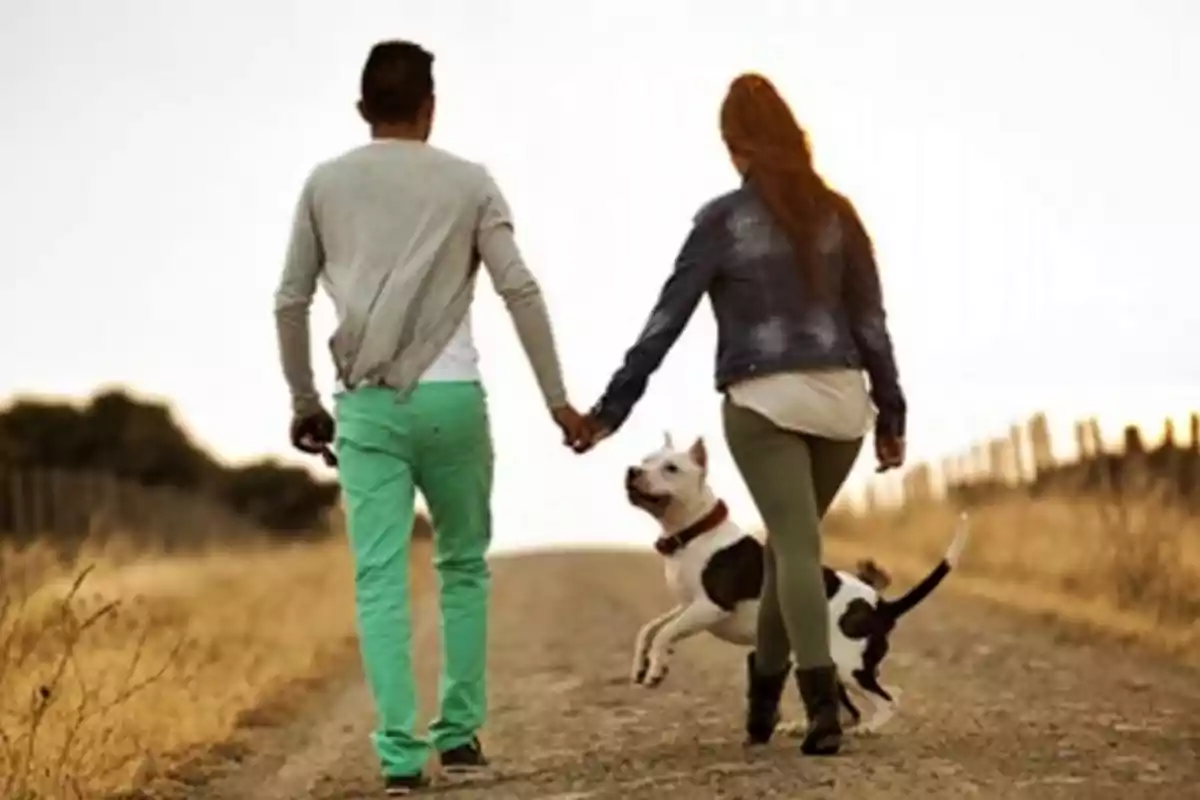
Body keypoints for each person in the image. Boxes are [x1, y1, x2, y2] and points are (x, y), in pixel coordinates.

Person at [273, 40, 586, 795]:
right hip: (453, 402)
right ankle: (460, 738)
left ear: (361, 111)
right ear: (429, 107)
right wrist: (558, 403)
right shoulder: (470, 184)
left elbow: (291, 300)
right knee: (462, 568)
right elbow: (521, 290)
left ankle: (400, 759)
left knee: (379, 579)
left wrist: (305, 401)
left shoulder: (324, 184)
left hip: (367, 407)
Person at [571, 73, 906, 757]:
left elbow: (665, 322)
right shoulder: (839, 212)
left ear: (734, 146)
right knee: (788, 544)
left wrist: (609, 412)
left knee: (795, 547)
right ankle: (760, 699)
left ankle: (818, 709)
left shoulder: (721, 220)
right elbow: (871, 323)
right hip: (843, 407)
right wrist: (891, 414)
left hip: (762, 404)